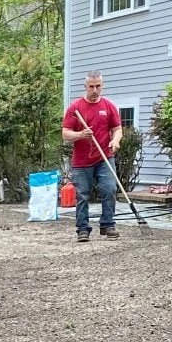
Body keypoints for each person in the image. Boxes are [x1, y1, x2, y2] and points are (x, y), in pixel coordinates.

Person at [61, 72, 123, 241]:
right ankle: (83, 229)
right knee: (82, 195)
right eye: (91, 86)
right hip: (82, 161)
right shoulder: (75, 108)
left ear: (102, 86)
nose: (95, 90)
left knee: (110, 189)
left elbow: (117, 129)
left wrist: (115, 141)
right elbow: (65, 134)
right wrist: (81, 134)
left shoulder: (109, 106)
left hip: (104, 157)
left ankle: (108, 225)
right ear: (85, 86)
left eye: (98, 86)